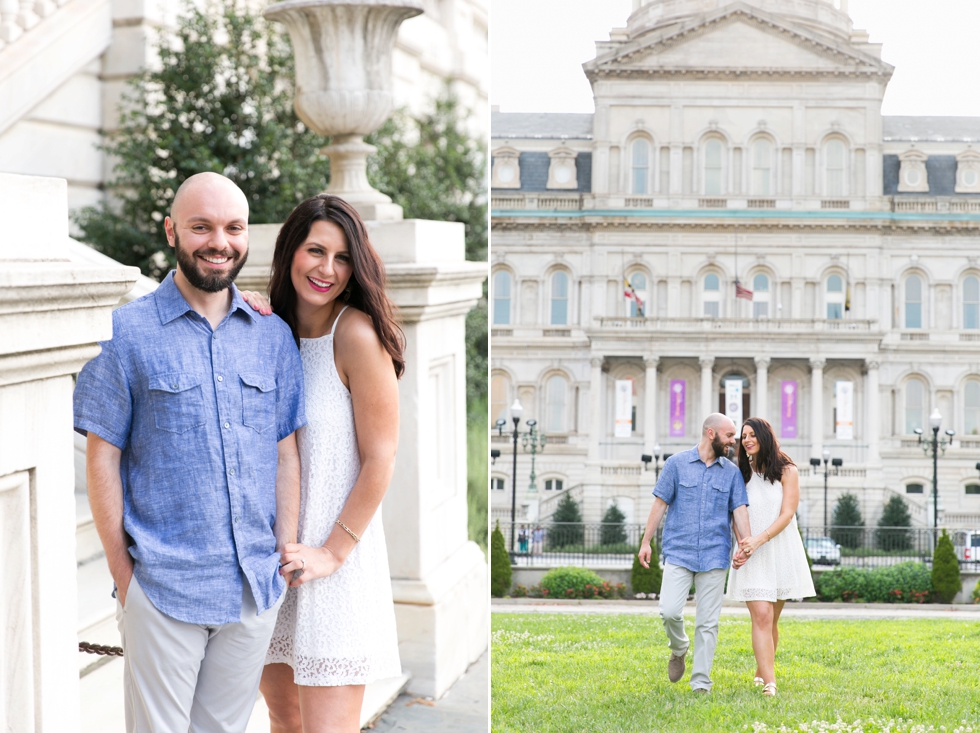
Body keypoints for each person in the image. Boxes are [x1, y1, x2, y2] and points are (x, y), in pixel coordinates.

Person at [73, 172, 306, 732]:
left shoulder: (271, 334)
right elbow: (102, 457)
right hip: (162, 585)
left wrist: (282, 552)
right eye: (201, 227)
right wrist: (125, 578)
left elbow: (286, 451)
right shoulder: (123, 333)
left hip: (252, 587)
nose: (219, 242)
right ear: (172, 230)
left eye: (233, 228)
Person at [251, 194, 404, 733]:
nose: (327, 269)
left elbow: (381, 457)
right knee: (283, 720)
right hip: (275, 565)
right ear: (290, 249)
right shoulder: (265, 330)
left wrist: (332, 554)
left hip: (336, 565)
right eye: (316, 250)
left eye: (342, 258)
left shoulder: (356, 335)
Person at [637, 413, 751, 694]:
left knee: (708, 623)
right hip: (679, 551)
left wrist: (745, 545)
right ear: (711, 433)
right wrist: (646, 541)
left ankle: (701, 682)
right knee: (669, 611)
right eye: (729, 436)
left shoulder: (732, 472)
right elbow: (660, 504)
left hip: (715, 554)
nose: (733, 442)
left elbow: (739, 511)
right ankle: (679, 648)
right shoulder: (676, 464)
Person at [726, 417, 816, 697]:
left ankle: (760, 670)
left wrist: (759, 540)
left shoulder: (787, 470)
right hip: (751, 552)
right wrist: (743, 545)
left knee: (772, 620)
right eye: (743, 436)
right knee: (762, 616)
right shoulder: (739, 472)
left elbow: (787, 514)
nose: (747, 440)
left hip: (779, 548)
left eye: (752, 435)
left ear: (765, 436)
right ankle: (770, 682)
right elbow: (735, 513)